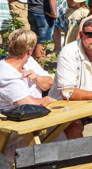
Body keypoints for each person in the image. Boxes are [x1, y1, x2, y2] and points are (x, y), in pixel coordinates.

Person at [0, 30, 59, 159]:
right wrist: (47, 99)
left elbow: (48, 83)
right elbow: (29, 105)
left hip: (34, 122)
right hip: (12, 131)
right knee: (58, 134)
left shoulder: (28, 62)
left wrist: (36, 77)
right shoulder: (6, 74)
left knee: (63, 130)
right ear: (30, 50)